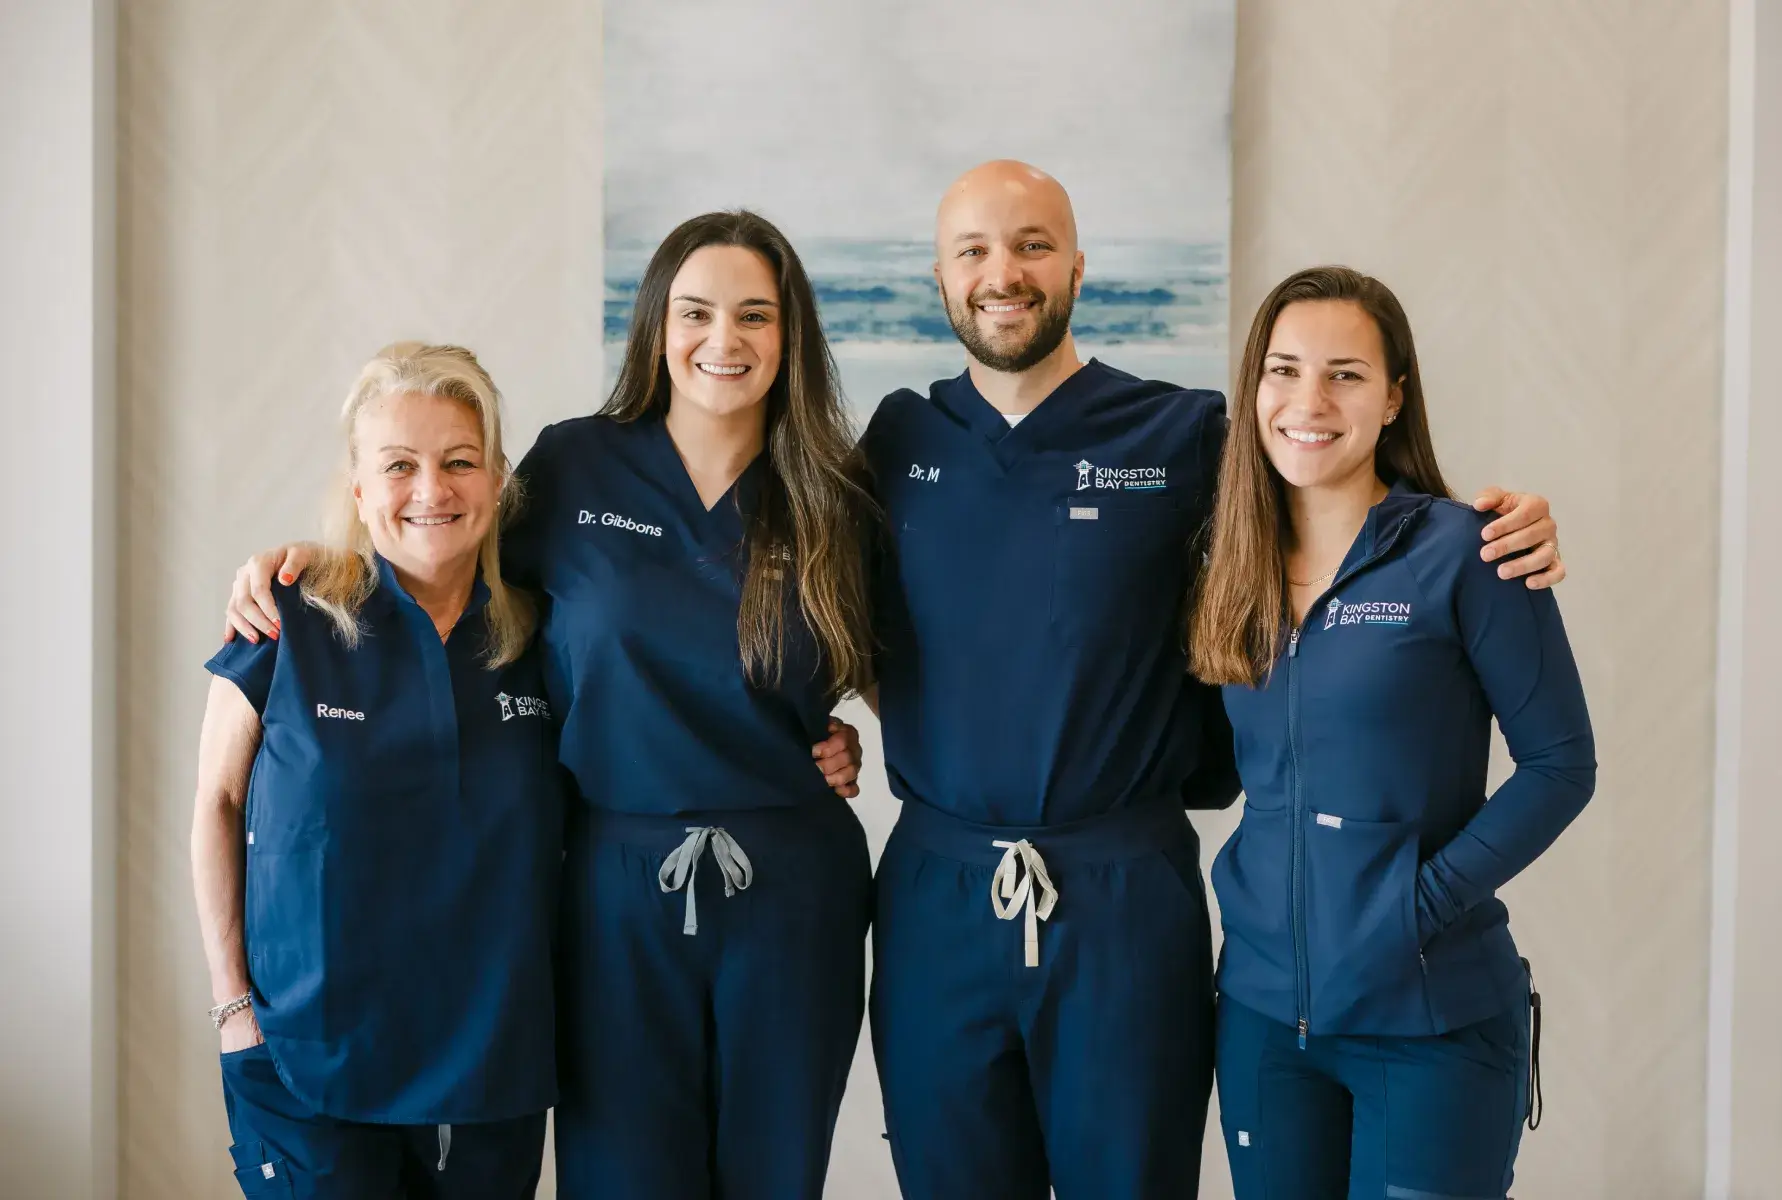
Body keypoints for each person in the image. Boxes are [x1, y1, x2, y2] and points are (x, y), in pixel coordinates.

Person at [859, 161, 1569, 1199]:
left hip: (1122, 890)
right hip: (937, 887)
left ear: (1078, 268)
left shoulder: (1186, 437)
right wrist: (807, 735)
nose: (1002, 272)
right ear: (938, 275)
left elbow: (1336, 490)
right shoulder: (896, 441)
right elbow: (811, 603)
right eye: (973, 249)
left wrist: (1502, 529)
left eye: (1033, 245)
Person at [221, 212, 873, 1200]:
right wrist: (314, 561)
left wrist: (842, 734)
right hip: (611, 884)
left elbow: (889, 657)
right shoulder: (574, 467)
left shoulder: (828, 491)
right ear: (658, 327)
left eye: (755, 315)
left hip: (791, 884)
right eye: (696, 312)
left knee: (775, 1178)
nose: (724, 339)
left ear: (792, 337)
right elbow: (445, 545)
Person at [1192, 266, 1595, 1199]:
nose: (1308, 401)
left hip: (1430, 1021)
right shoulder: (1225, 562)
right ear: (1253, 387)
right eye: (1283, 370)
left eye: (1345, 374)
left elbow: (1561, 765)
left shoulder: (1467, 550)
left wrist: (1417, 907)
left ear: (1393, 397)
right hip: (1261, 1016)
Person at [191, 343, 564, 1197]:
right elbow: (215, 804)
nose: (431, 491)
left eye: (459, 462)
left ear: (499, 479)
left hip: (490, 1067)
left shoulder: (547, 635)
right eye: (399, 466)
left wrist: (812, 743)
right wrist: (232, 1010)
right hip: (306, 1057)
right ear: (359, 487)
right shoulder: (283, 618)